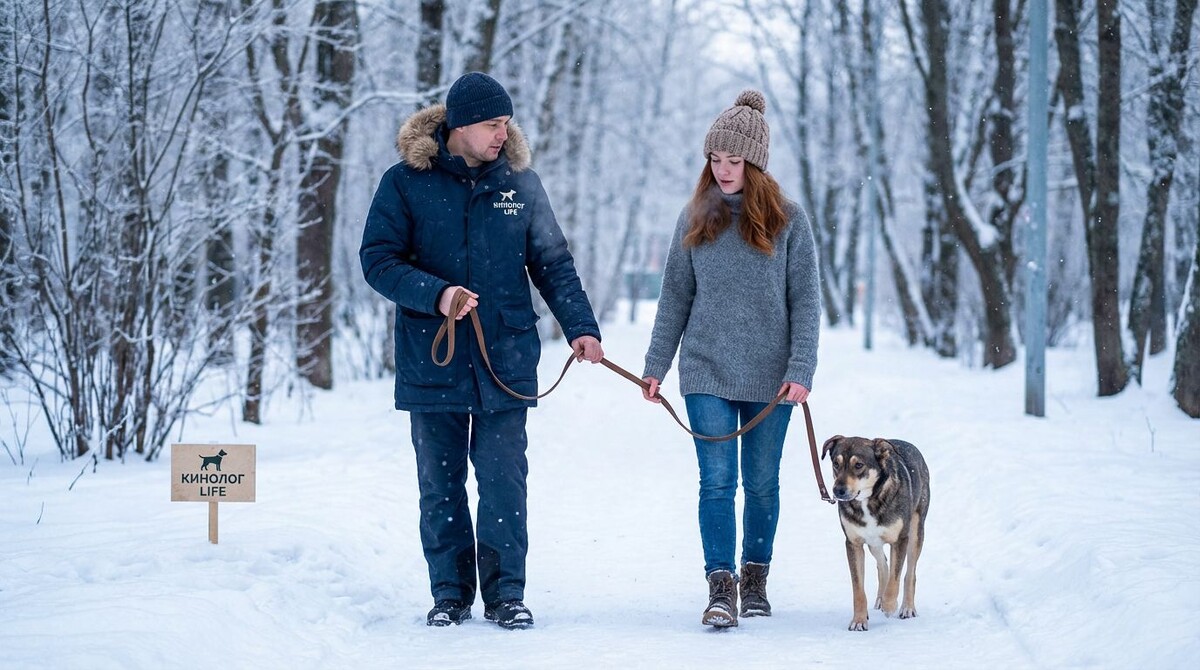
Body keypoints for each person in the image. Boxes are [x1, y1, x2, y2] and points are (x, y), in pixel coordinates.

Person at [360, 71, 603, 630]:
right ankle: (449, 594)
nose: (502, 133)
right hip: (433, 359)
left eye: (506, 123)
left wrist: (580, 327)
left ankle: (505, 595)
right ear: (461, 124)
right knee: (439, 484)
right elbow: (377, 260)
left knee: (502, 481)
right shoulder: (404, 183)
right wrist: (436, 293)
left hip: (507, 360)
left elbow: (553, 263)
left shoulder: (522, 184)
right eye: (493, 124)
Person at [641, 89, 820, 628]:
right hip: (706, 371)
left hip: (772, 377)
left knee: (762, 483)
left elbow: (806, 301)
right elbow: (675, 295)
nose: (722, 170)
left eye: (733, 160)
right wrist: (656, 365)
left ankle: (755, 579)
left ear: (756, 163)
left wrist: (801, 369)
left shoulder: (789, 220)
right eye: (715, 160)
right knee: (716, 482)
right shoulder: (695, 218)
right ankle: (721, 588)